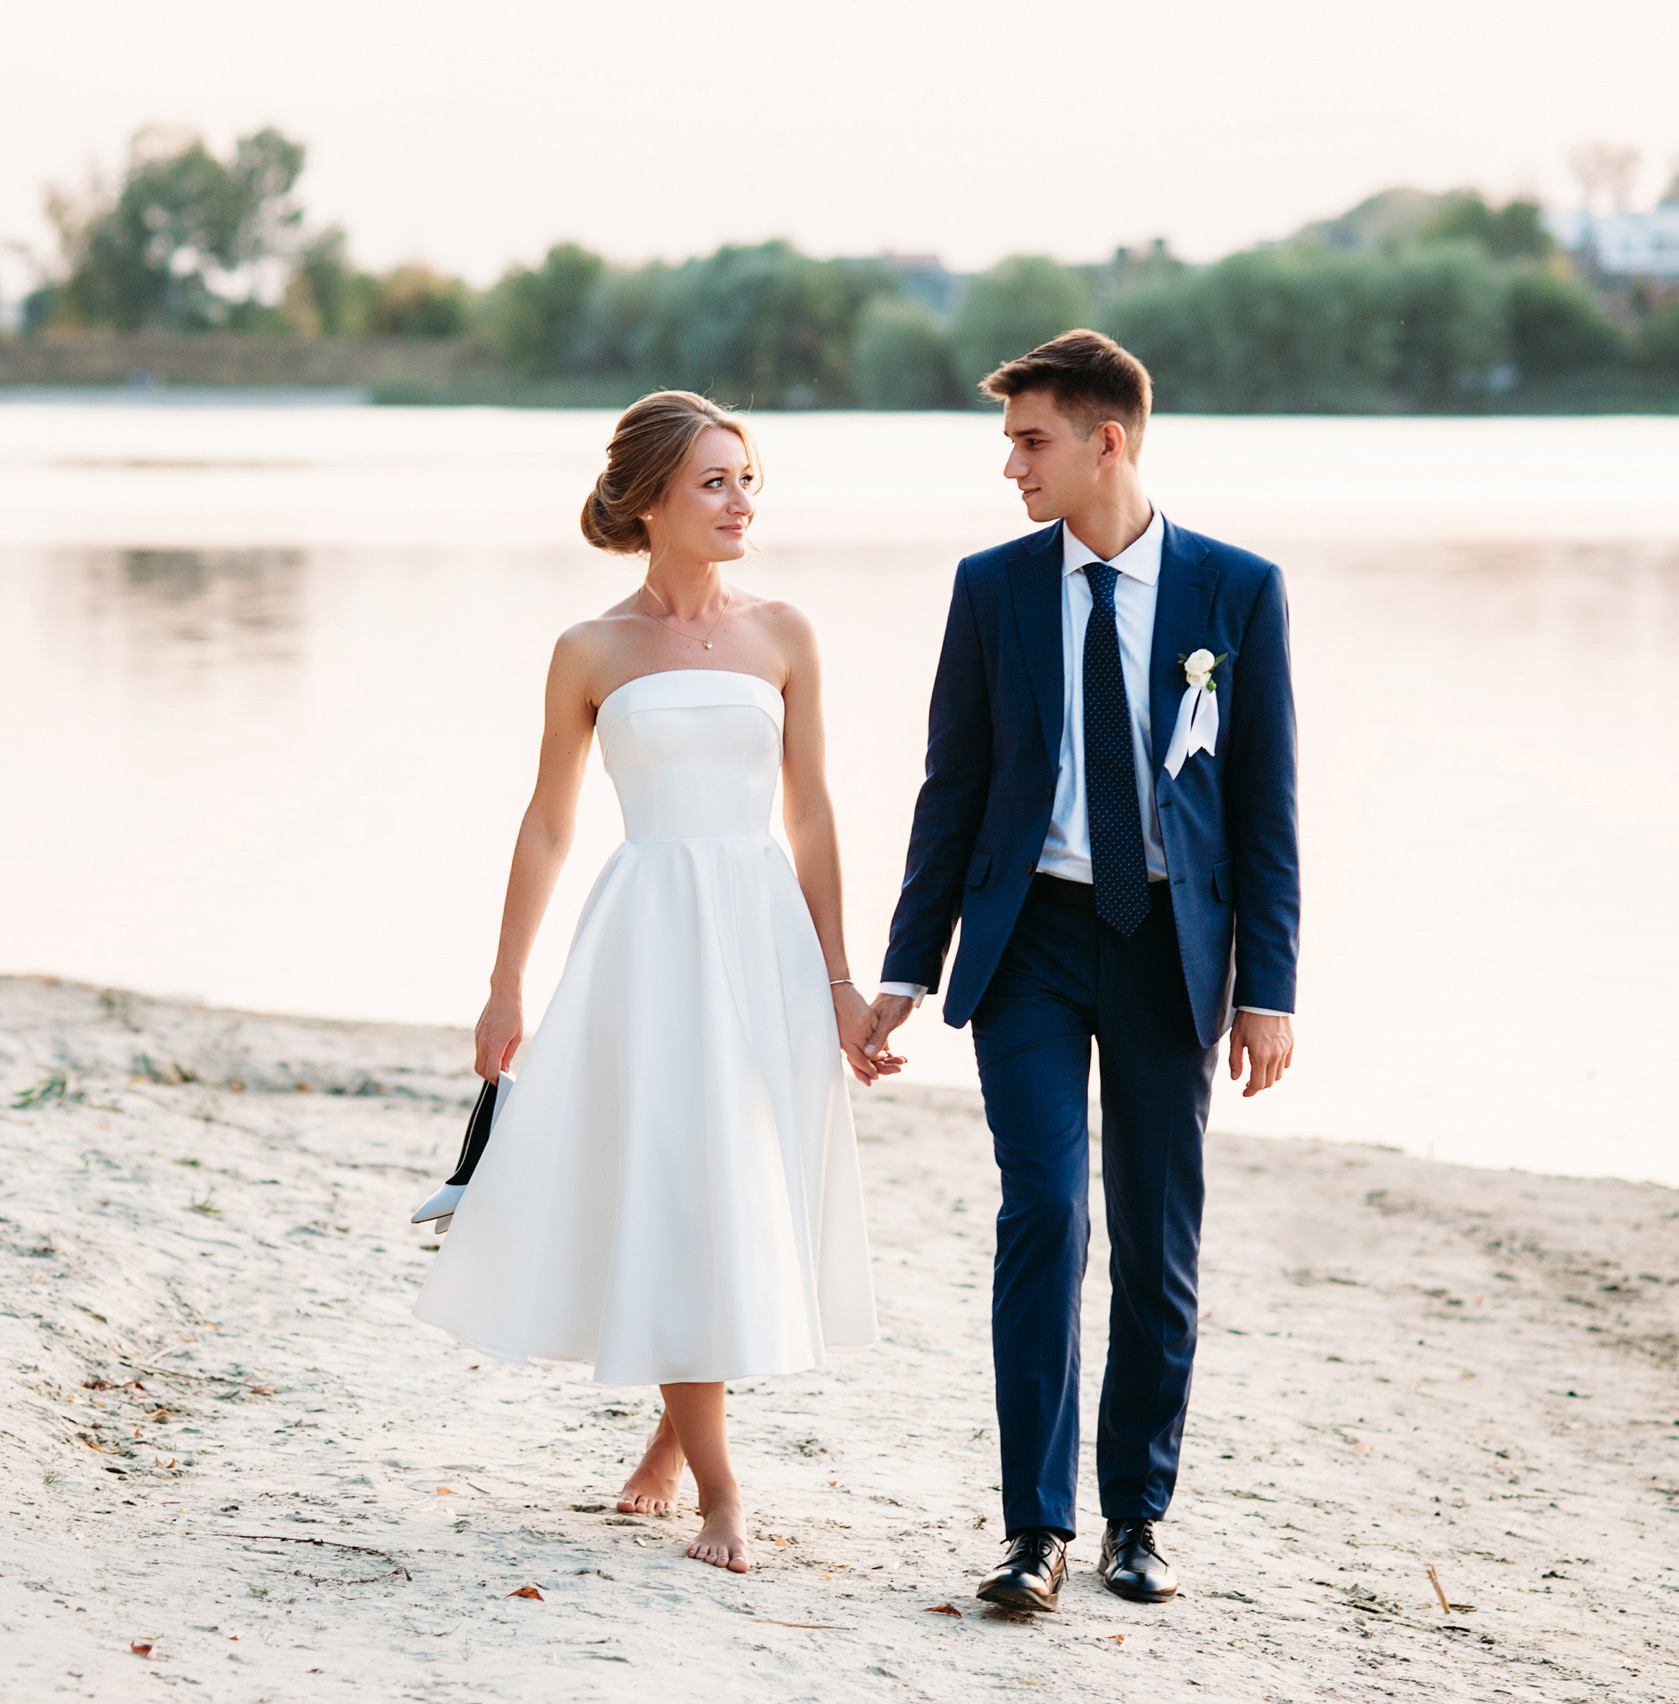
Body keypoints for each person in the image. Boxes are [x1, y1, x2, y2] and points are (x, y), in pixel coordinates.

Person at [865, 331, 1300, 1611]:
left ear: (1108, 440)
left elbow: (1266, 809)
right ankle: (1032, 1530)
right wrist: (904, 965)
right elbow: (951, 793)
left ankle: (1136, 1521)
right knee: (1043, 1213)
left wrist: (1266, 989)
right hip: (1034, 945)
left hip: (1174, 949)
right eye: (1009, 442)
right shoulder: (991, 588)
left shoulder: (1237, 590)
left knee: (1158, 1241)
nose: (1009, 466)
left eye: (1029, 439)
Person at [412, 391, 879, 1574]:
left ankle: (672, 1444)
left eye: (747, 478)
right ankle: (724, 1488)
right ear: (650, 500)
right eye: (715, 481)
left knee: (741, 1187)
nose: (741, 502)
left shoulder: (786, 634)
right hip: (648, 939)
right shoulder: (591, 649)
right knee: (680, 1185)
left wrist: (839, 980)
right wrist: (505, 984)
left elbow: (813, 815)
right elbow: (547, 827)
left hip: (761, 935)